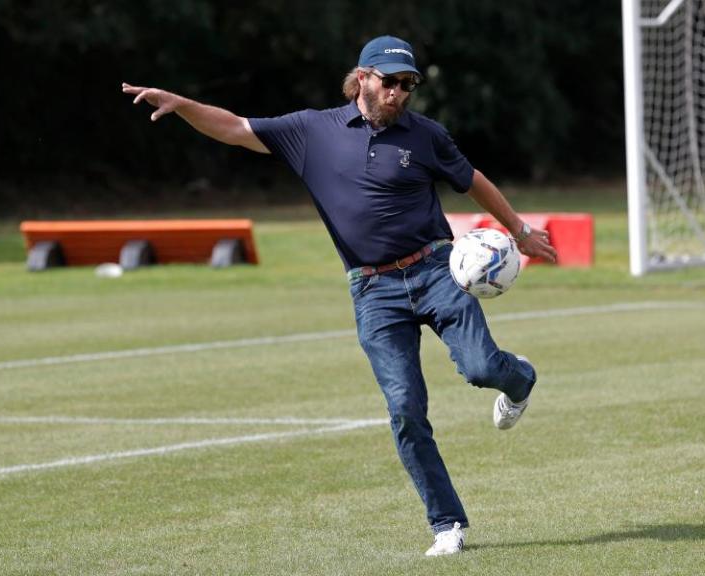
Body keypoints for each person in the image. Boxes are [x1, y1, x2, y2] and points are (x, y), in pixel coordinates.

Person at [122, 35, 556, 557]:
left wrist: (519, 229)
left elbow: (473, 180)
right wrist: (183, 105)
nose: (399, 92)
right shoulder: (312, 130)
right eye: (390, 81)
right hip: (373, 291)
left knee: (483, 369)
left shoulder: (426, 136)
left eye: (408, 84)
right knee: (404, 409)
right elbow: (235, 128)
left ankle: (520, 377)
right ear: (363, 78)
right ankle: (447, 525)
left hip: (437, 270)